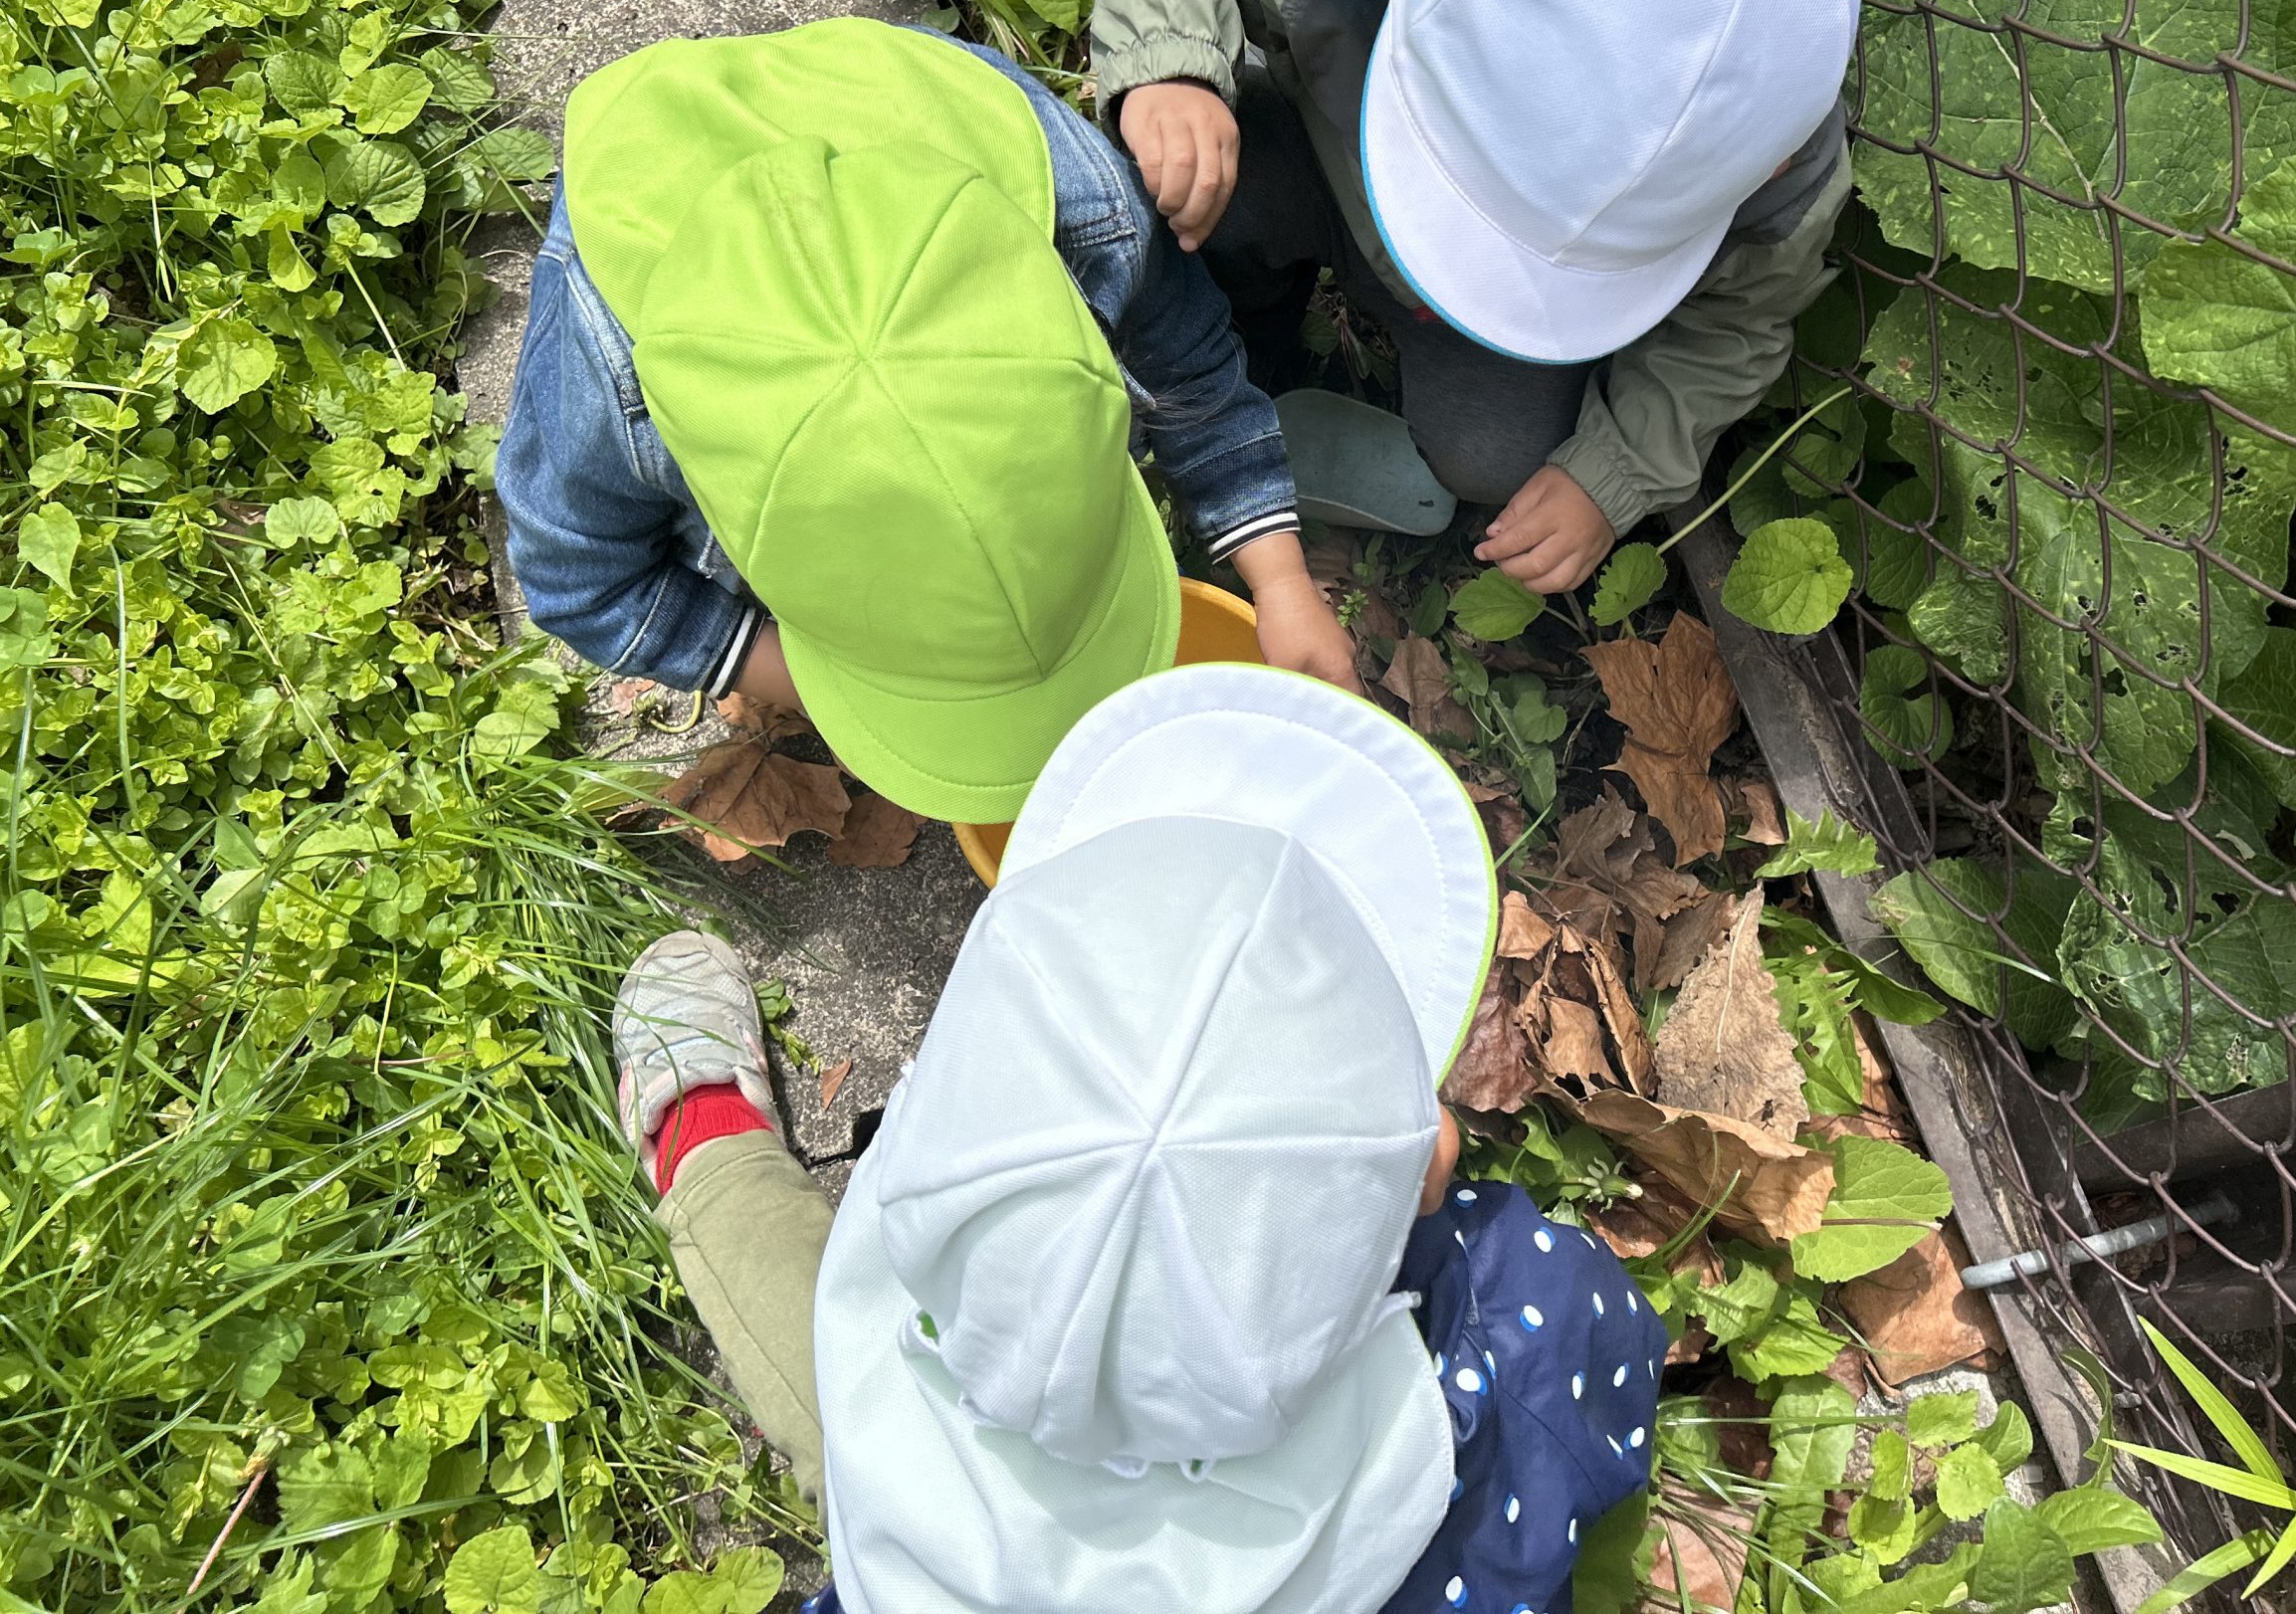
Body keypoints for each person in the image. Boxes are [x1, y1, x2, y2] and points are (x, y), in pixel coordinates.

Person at [612, 666, 1668, 1613]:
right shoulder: (1522, 1338)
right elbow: (1611, 1369)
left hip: (925, 1536)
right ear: (1430, 1154)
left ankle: (704, 1142)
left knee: (833, 1380)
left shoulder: (948, 1186)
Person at [494, 17, 1360, 822]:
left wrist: (1280, 581)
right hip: (654, 208)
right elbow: (583, 584)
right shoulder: (606, 379)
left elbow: (1190, 368)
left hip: (906, 113)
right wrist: (807, 679)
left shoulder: (1085, 212)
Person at [1088, 0, 1866, 595]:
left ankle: (1290, 436)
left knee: (1495, 455)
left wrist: (1612, 472)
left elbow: (1736, 323)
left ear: (1767, 163)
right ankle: (1227, 386)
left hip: (1484, 328)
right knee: (1185, 191)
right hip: (1320, 156)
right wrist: (1172, 68)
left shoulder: (1779, 163)